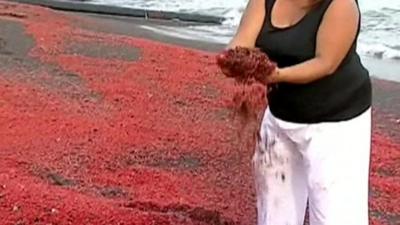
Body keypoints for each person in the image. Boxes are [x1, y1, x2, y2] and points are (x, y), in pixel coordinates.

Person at [222, 0, 372, 224]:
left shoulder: (341, 4)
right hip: (280, 115)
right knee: (274, 212)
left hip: (336, 121)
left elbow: (325, 63)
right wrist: (233, 59)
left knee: (335, 214)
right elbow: (242, 41)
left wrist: (275, 75)